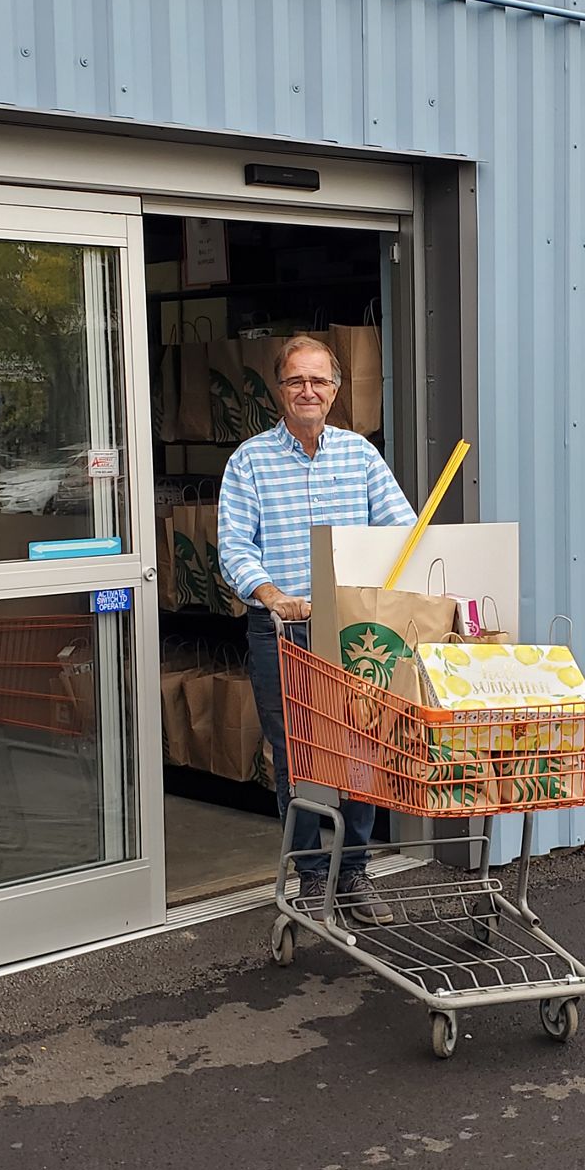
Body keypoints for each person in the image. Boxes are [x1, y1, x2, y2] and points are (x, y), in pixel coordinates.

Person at [218, 334, 416, 924]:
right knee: (299, 758)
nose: (308, 390)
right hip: (282, 632)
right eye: (295, 381)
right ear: (278, 391)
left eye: (320, 381)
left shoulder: (359, 456)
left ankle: (353, 872)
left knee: (359, 749)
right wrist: (275, 595)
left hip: (352, 631)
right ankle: (308, 876)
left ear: (335, 390)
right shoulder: (249, 460)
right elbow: (233, 547)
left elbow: (401, 532)